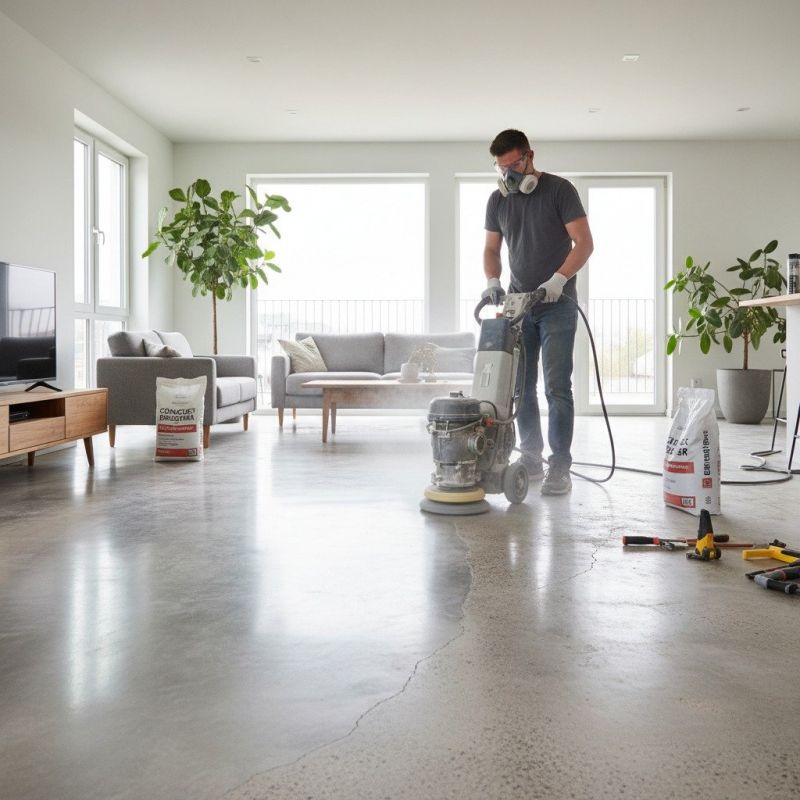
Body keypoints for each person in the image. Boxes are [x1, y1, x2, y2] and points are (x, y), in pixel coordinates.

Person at [482, 129, 593, 495]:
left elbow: (584, 243)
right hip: (519, 305)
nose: (510, 174)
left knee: (557, 386)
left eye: (515, 165)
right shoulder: (497, 201)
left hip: (557, 305)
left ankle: (560, 465)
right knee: (520, 388)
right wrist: (492, 281)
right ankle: (531, 458)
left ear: (530, 156)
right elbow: (491, 250)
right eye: (502, 168)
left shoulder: (560, 191)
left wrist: (559, 280)